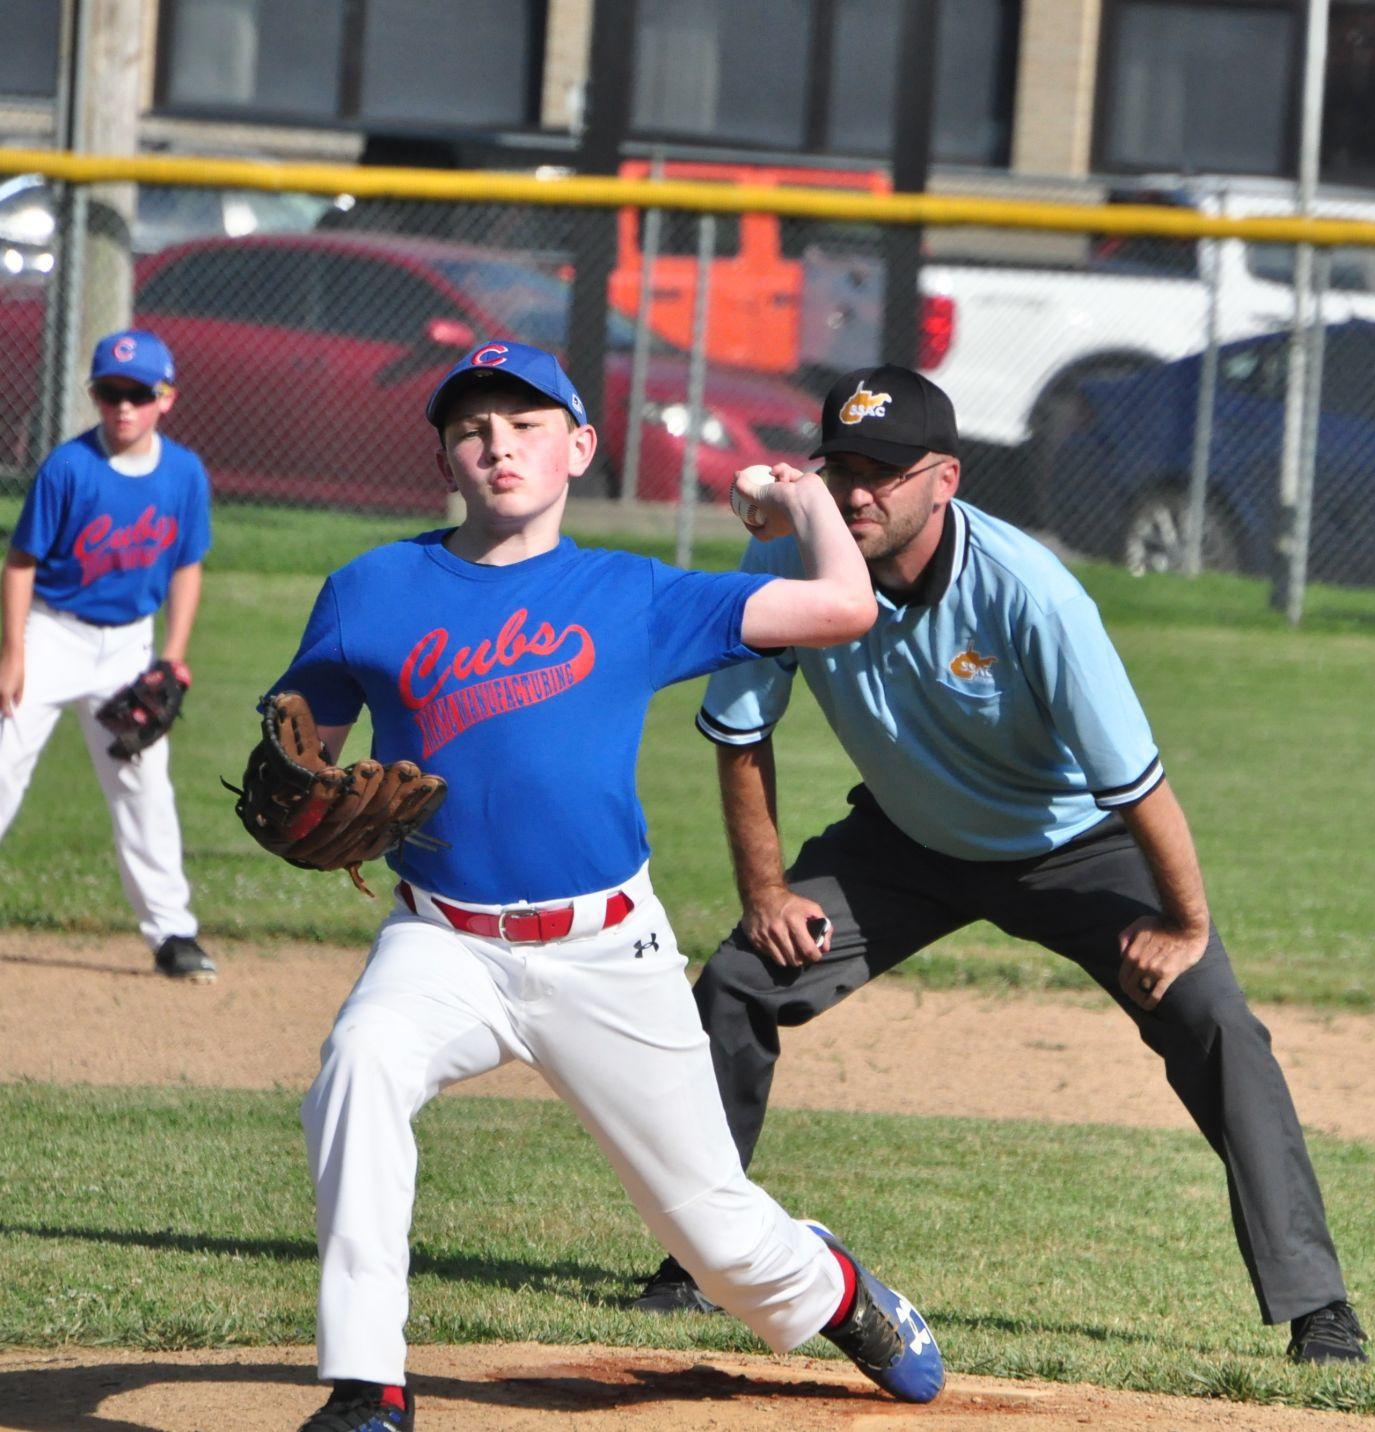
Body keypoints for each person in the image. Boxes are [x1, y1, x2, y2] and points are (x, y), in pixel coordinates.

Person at [630, 363, 1368, 1368]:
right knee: (736, 983)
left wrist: (1185, 928)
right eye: (840, 466)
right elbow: (738, 732)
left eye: (883, 471)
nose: (856, 491)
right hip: (899, 842)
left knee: (1211, 1017)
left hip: (1070, 845)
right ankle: (698, 1262)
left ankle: (1316, 1306)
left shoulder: (1032, 595)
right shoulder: (799, 571)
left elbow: (1139, 785)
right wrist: (764, 892)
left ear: (944, 479)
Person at [269, 341, 945, 1432]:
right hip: (442, 940)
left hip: (604, 950)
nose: (499, 445)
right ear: (444, 454)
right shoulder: (370, 591)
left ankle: (838, 1289)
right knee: (358, 1065)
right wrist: (297, 785)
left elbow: (842, 606)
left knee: (713, 1236)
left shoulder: (628, 594)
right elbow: (303, 748)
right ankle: (366, 1386)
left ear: (578, 447)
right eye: (474, 428)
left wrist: (799, 492)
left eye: (527, 424)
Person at [0, 328, 215, 982]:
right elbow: (21, 562)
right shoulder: (68, 468)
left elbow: (186, 566)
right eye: (109, 392)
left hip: (128, 645)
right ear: (93, 395)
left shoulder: (184, 473)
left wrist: (172, 656)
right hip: (51, 632)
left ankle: (173, 933)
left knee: (142, 786)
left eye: (139, 393)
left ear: (165, 398)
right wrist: (13, 653)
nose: (123, 406)